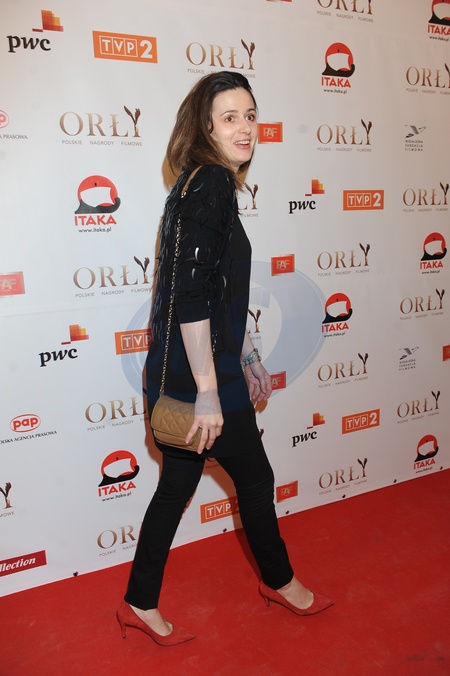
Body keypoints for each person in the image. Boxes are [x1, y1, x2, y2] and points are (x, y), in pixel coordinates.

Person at [117, 71, 334, 646]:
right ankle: (282, 583)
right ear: (206, 128)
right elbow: (191, 300)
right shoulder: (212, 182)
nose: (245, 129)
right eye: (230, 118)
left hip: (195, 368)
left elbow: (216, 293)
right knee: (256, 479)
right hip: (202, 378)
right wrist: (211, 392)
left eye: (251, 115)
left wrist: (251, 354)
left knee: (176, 485)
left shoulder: (195, 185)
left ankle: (139, 601)